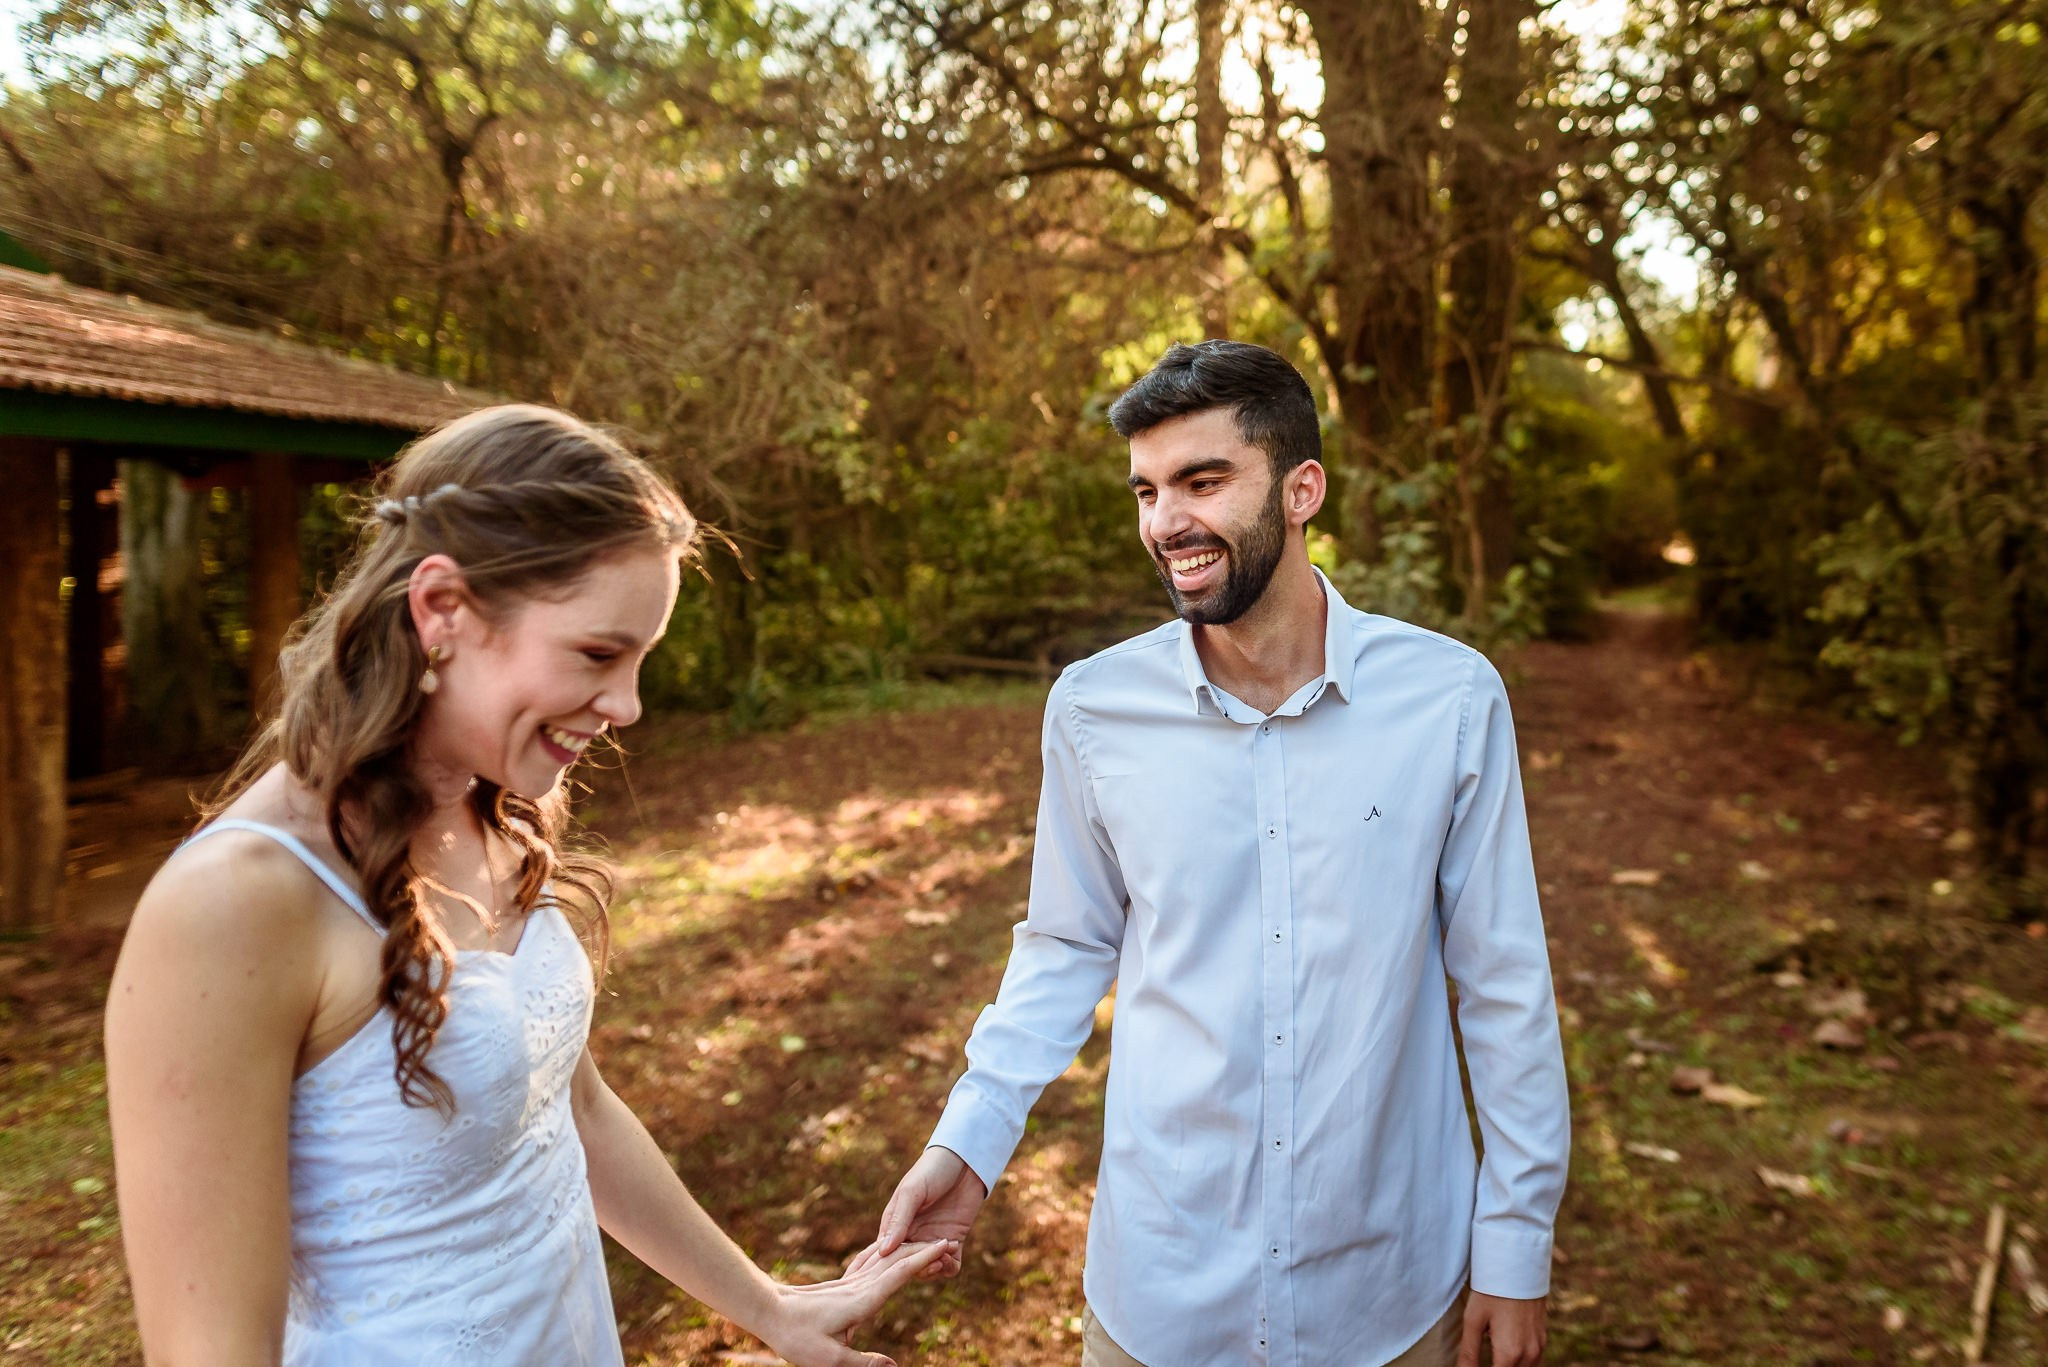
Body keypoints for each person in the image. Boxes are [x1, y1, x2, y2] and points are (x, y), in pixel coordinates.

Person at [105, 404, 950, 1367]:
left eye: (640, 660)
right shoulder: (233, 905)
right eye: (598, 654)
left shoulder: (497, 805)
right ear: (442, 610)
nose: (628, 705)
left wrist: (773, 1308)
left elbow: (571, 1109)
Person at [855, 342, 1571, 1367]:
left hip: (1391, 1294)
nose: (1164, 522)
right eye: (1146, 491)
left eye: (1201, 481)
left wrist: (1514, 1246)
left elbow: (1502, 983)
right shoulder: (1092, 709)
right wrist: (968, 1143)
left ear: (1300, 489)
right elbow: (1064, 946)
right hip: (1160, 1295)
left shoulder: (1450, 700)